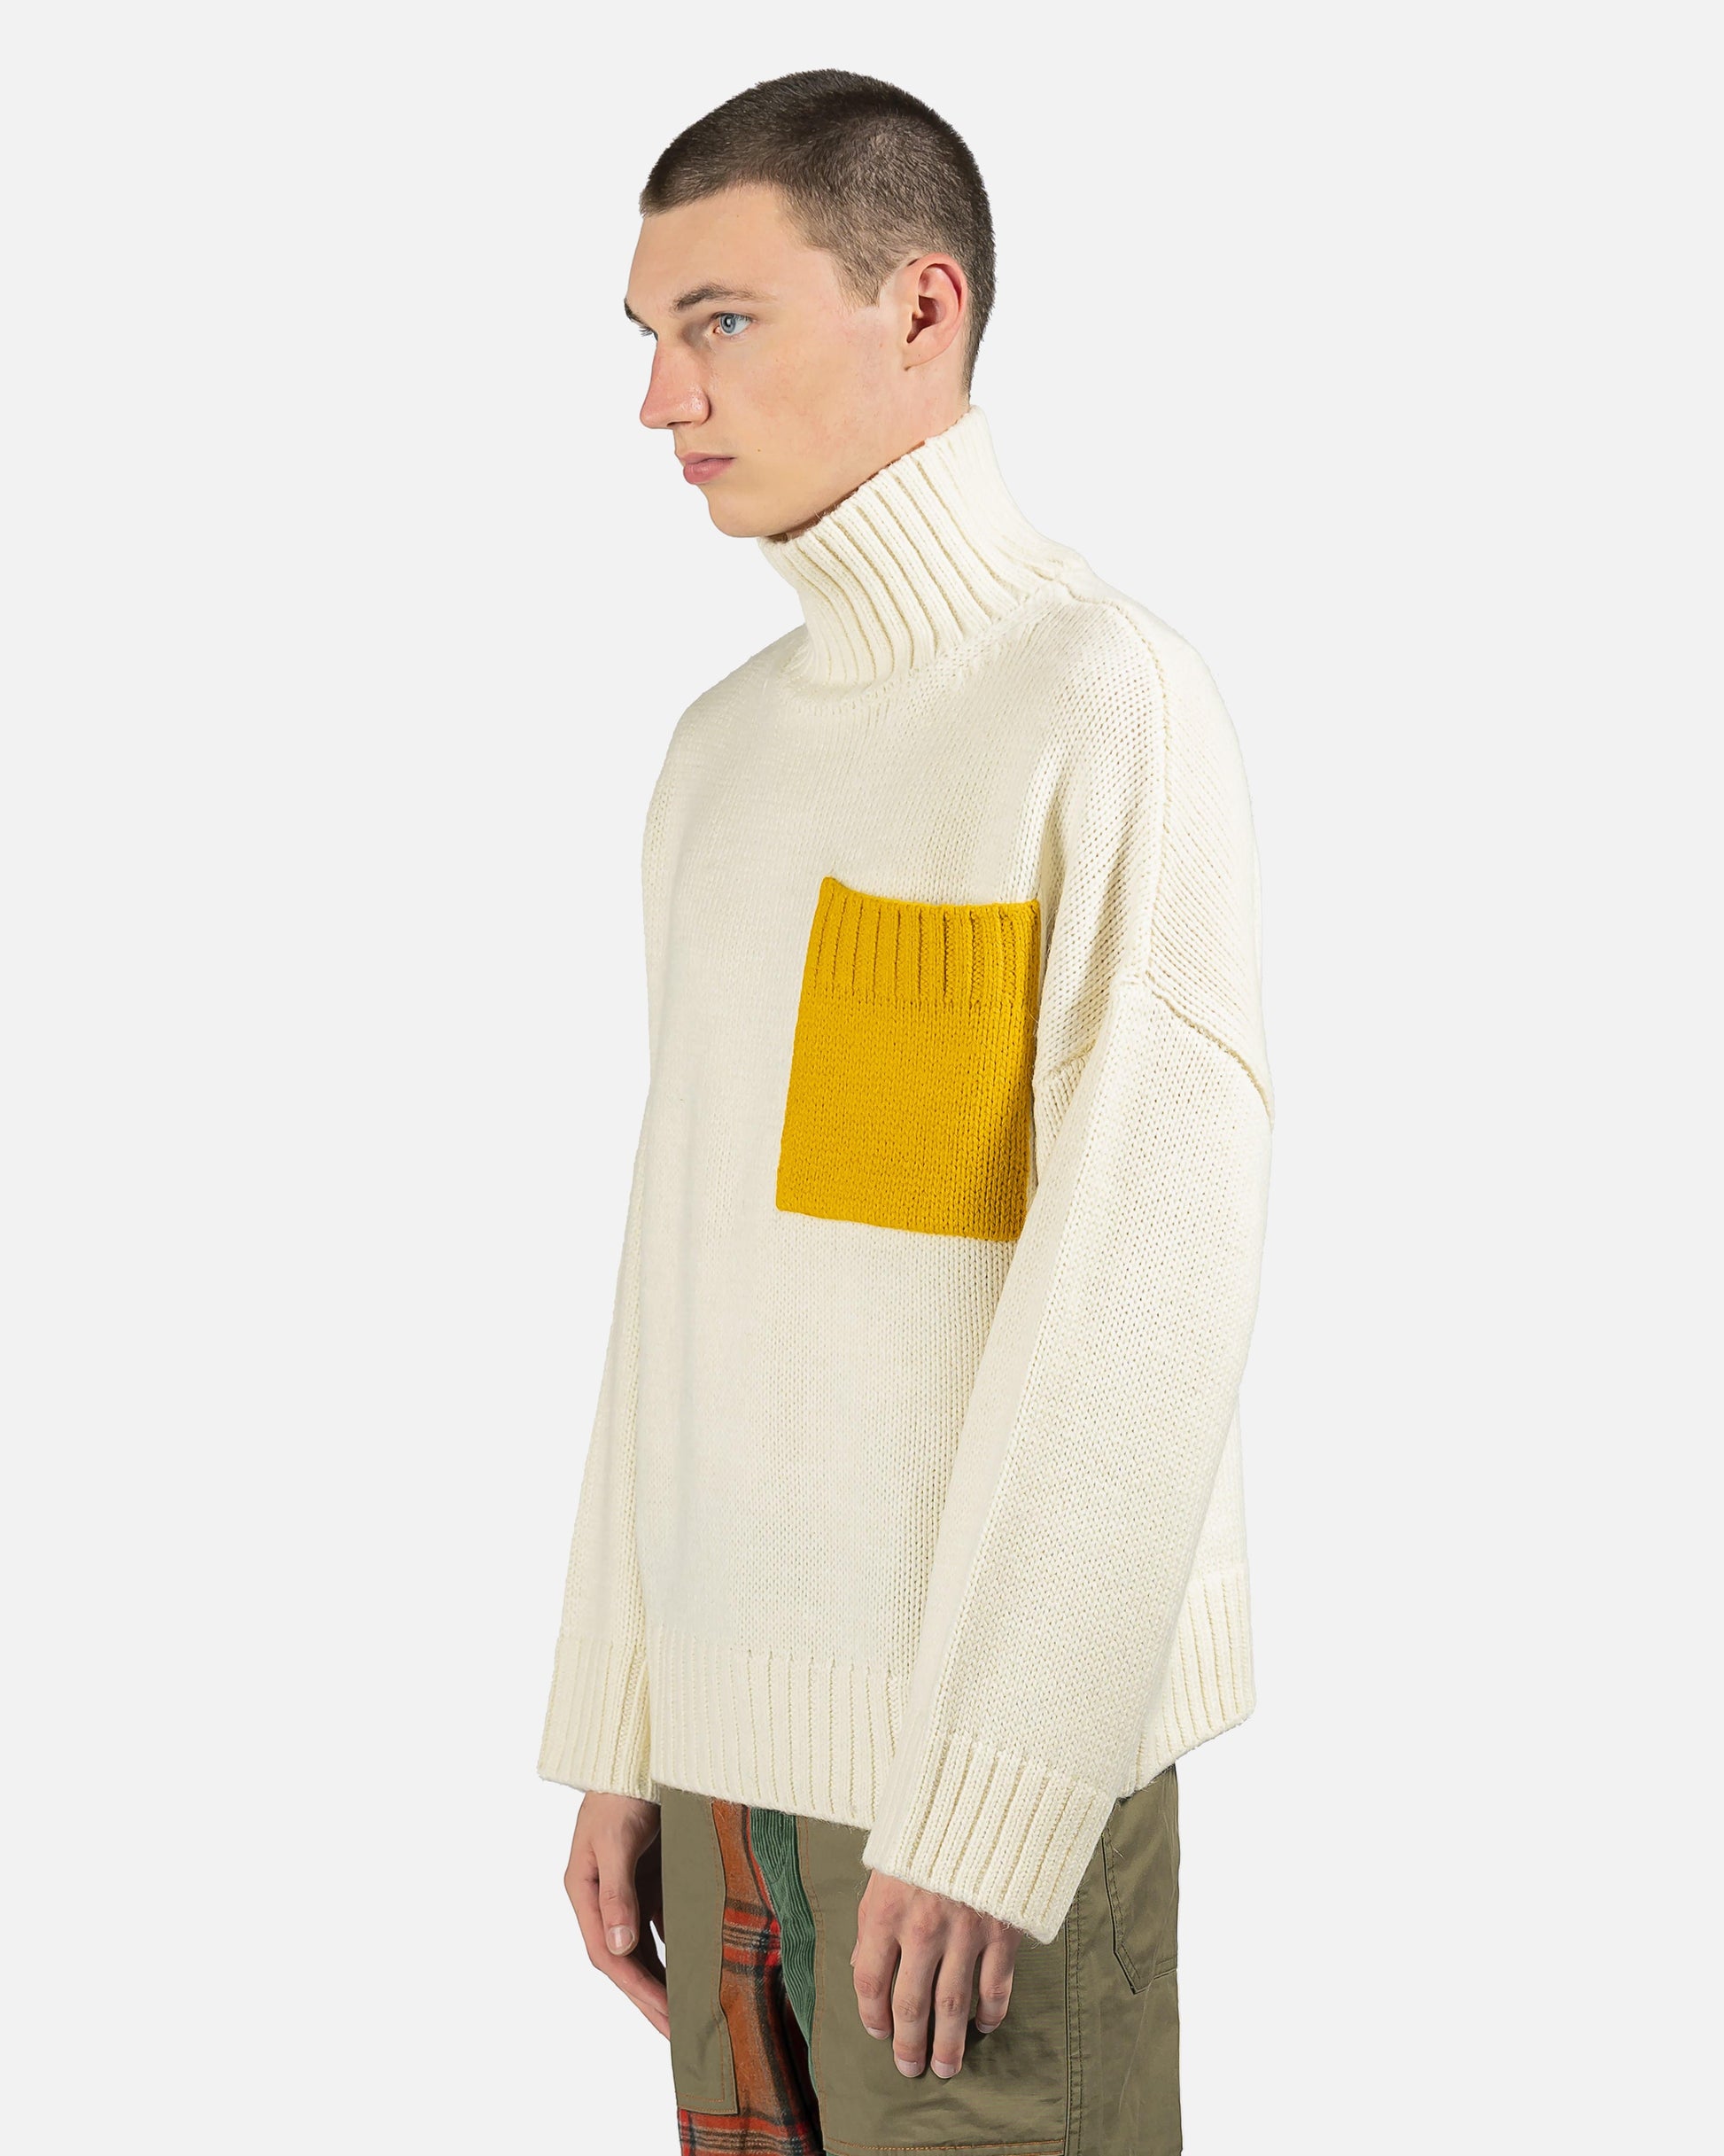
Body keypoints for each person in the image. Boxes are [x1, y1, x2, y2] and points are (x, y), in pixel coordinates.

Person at [538, 67, 1272, 2155]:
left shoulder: (1100, 700)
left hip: (967, 1807)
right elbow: (677, 1261)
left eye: (721, 320)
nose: (662, 397)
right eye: (650, 334)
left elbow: (1143, 1294)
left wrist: (996, 1800)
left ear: (921, 306)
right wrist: (624, 1716)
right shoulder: (719, 753)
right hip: (726, 1793)